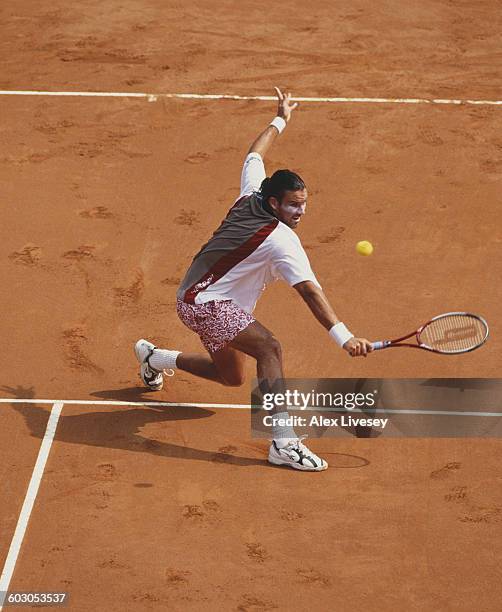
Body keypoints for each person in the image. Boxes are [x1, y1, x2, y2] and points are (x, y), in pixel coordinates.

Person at [135, 87, 373, 472]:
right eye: (294, 205)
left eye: (305, 204)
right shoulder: (281, 240)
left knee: (230, 377)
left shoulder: (251, 193)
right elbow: (310, 292)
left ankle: (154, 357)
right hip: (205, 304)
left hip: (195, 296)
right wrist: (344, 337)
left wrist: (280, 119)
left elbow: (255, 154)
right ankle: (283, 442)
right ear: (275, 202)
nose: (301, 211)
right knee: (269, 349)